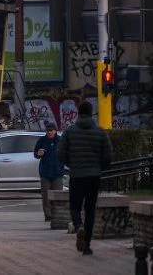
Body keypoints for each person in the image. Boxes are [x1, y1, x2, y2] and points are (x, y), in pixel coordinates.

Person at [58, 101, 112, 256]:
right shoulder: (100, 132)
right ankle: (87, 245)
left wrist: (70, 163)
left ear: (78, 113)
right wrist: (98, 167)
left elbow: (60, 153)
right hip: (94, 177)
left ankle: (78, 224)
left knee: (75, 206)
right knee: (90, 210)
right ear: (91, 113)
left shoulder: (69, 131)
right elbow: (108, 156)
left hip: (76, 175)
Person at [35, 122, 65, 222]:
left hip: (57, 172)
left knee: (58, 195)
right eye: (48, 130)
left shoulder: (60, 140)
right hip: (45, 172)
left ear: (55, 130)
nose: (50, 132)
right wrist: (38, 154)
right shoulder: (42, 141)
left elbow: (65, 153)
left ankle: (58, 214)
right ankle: (48, 215)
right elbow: (35, 153)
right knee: (46, 196)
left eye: (51, 130)